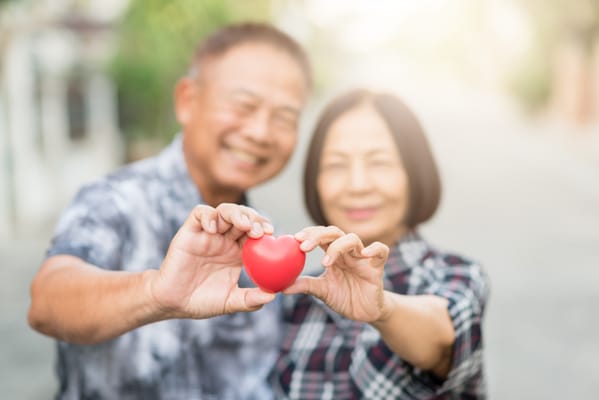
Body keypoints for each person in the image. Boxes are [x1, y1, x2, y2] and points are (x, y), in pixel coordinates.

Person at [28, 22, 311, 399]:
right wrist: (155, 293)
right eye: (244, 105)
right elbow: (47, 302)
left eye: (284, 117)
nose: (260, 132)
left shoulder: (267, 243)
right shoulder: (116, 200)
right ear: (187, 101)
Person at [271, 89, 490, 399]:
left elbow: (444, 339)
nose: (358, 184)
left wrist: (383, 310)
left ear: (414, 172)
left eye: (379, 162)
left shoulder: (455, 276)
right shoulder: (299, 297)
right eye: (336, 165)